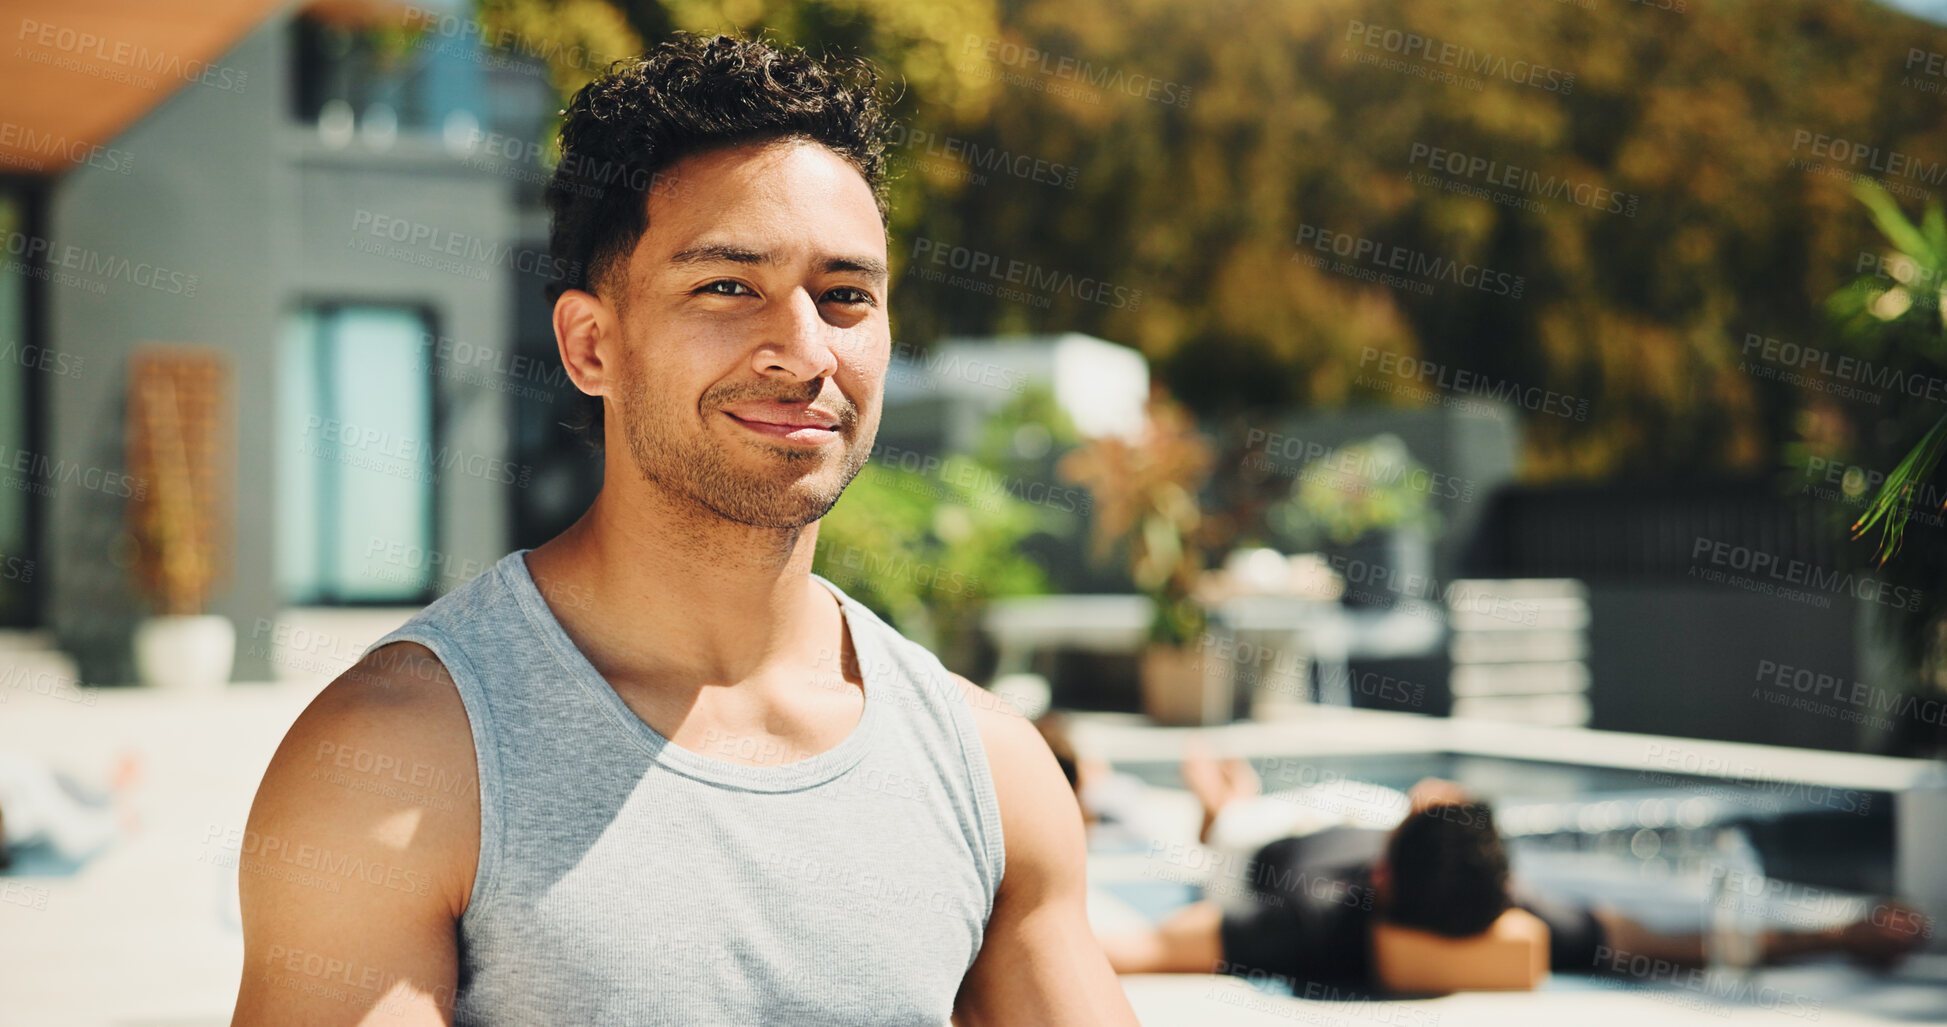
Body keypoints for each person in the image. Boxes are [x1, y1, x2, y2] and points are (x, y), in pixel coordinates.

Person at [232, 32, 1139, 1026]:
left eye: (845, 295)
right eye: (727, 286)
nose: (803, 353)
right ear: (591, 343)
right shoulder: (401, 766)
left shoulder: (991, 771)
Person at [1093, 747, 1928, 993]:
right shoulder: (1494, 898)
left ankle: (1218, 796)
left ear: (1386, 879)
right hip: (1343, 827)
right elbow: (1673, 942)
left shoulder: (1306, 917)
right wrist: (1840, 935)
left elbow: (1148, 945)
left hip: (1261, 844)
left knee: (1228, 809)